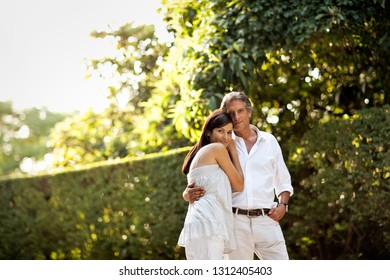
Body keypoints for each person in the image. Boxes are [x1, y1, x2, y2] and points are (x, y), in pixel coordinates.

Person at [183, 91, 294, 260]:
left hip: (267, 219)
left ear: (249, 112)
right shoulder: (222, 141)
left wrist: (283, 205)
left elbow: (283, 180)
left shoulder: (269, 141)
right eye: (231, 113)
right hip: (235, 222)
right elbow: (202, 173)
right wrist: (187, 193)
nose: (236, 117)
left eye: (240, 111)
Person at [178, 109, 244, 260]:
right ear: (208, 132)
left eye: (229, 132)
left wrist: (185, 194)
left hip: (204, 225)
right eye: (220, 131)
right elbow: (239, 185)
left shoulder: (203, 153)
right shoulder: (217, 149)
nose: (226, 137)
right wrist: (233, 151)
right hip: (208, 225)